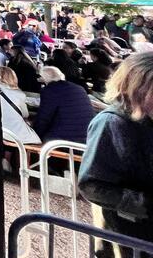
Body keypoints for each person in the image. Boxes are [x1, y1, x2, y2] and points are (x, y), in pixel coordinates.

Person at [78, 53, 153, 255]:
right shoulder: (111, 123)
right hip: (129, 231)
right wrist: (144, 202)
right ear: (137, 88)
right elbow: (91, 185)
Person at [33, 66, 94, 144]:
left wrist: (33, 133)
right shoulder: (79, 88)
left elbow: (43, 118)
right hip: (88, 138)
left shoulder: (50, 90)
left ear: (44, 78)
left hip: (65, 141)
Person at [0, 67, 40, 172]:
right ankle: (22, 169)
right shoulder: (19, 94)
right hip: (13, 133)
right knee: (19, 129)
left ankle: (6, 160)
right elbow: (25, 114)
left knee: (10, 129)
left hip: (1, 129)